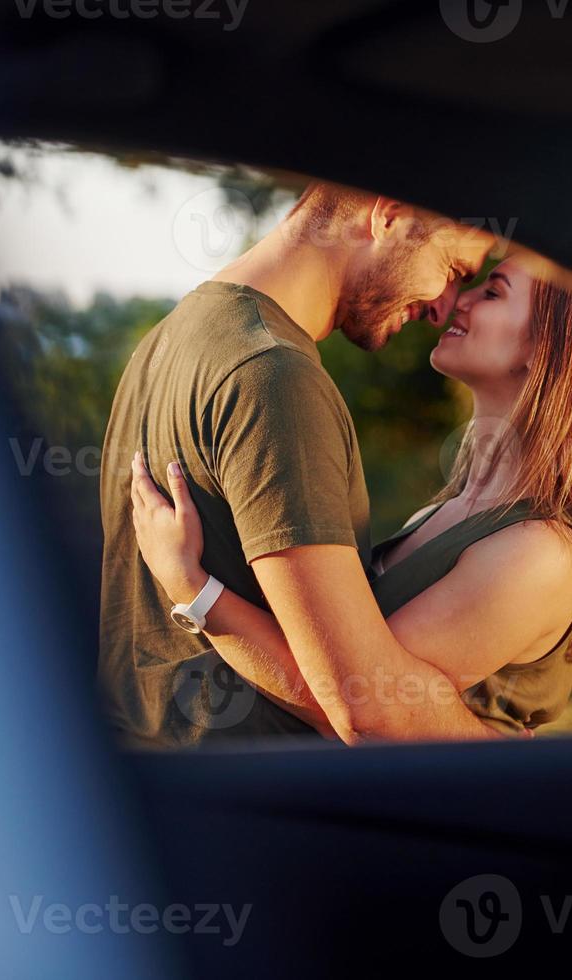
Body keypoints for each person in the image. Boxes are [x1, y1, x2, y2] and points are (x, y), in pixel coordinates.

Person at [129, 251, 572, 742]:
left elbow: (360, 703)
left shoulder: (539, 553)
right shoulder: (449, 511)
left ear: (547, 348)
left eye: (493, 292)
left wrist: (194, 590)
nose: (458, 299)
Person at [98, 182, 497, 747]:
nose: (444, 306)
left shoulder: (165, 342)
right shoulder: (272, 377)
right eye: (453, 268)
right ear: (389, 213)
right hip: (255, 802)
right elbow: (364, 703)